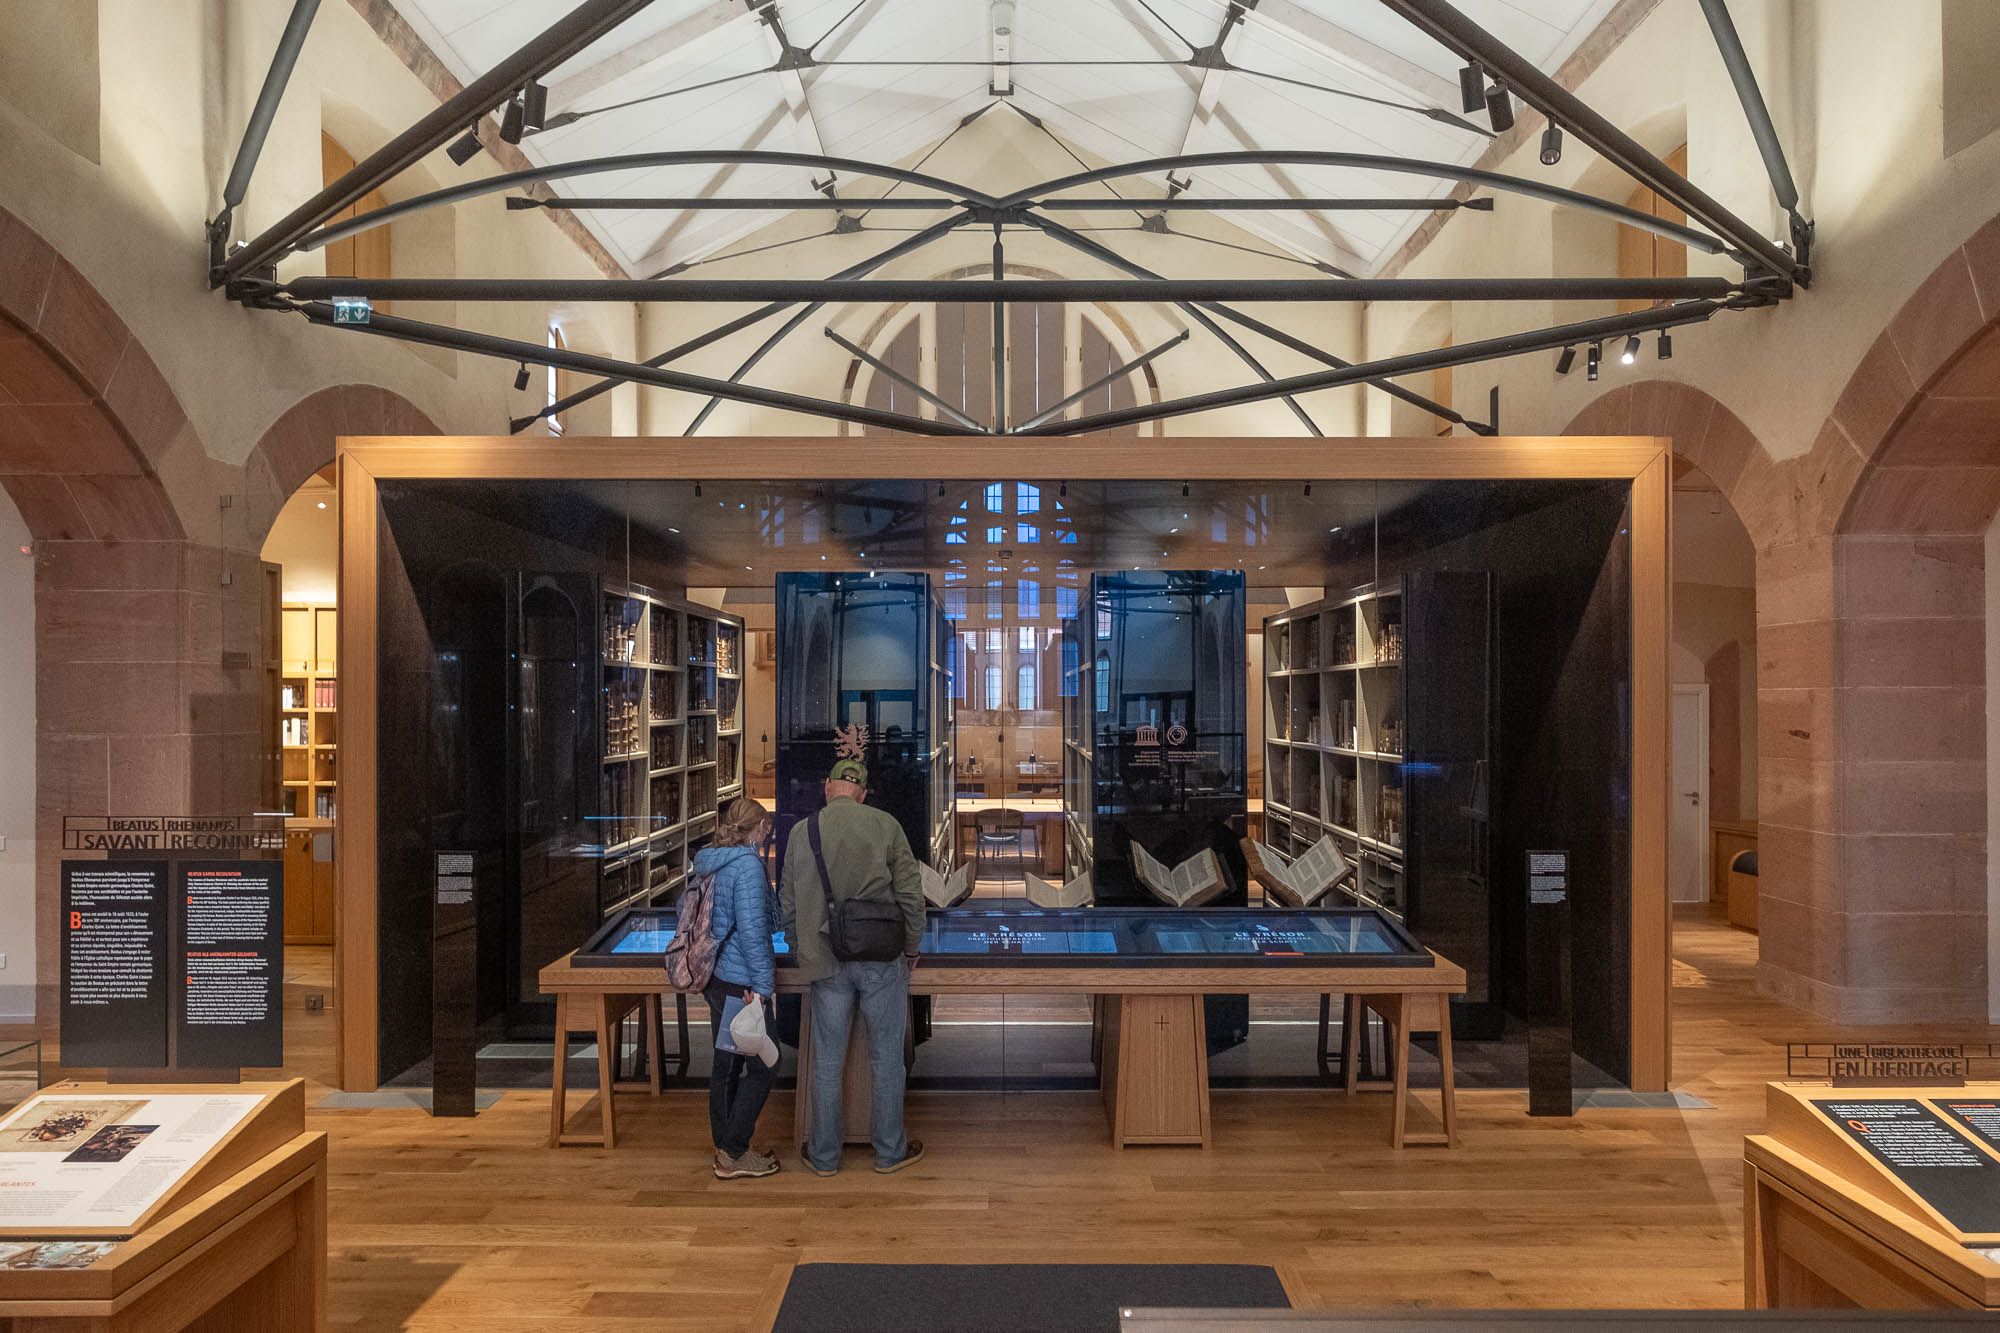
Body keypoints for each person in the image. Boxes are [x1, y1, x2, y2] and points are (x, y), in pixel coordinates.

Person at [780, 758, 926, 1176]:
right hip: (882, 956)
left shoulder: (800, 832)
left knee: (826, 1061)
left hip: (825, 960)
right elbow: (911, 896)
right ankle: (889, 1152)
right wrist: (912, 946)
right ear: (861, 793)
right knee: (886, 1059)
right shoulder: (886, 825)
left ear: (827, 788)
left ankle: (825, 1157)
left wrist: (800, 946)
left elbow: (787, 902)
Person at [691, 796, 781, 1180]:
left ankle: (724, 1146)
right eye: (766, 827)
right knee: (765, 1066)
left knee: (726, 1066)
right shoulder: (746, 867)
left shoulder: (712, 861)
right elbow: (753, 933)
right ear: (759, 828)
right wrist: (762, 988)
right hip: (741, 983)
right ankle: (732, 1152)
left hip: (717, 976)